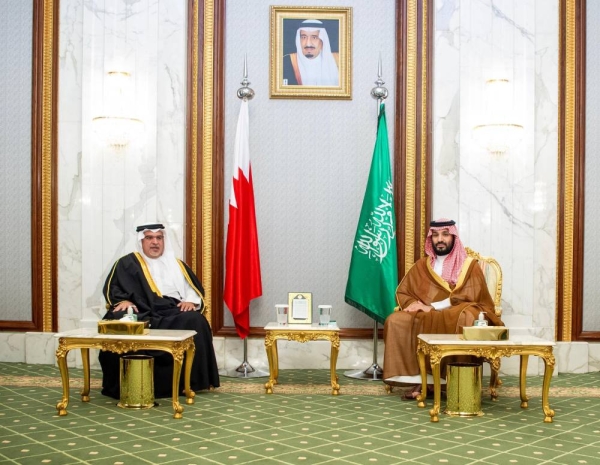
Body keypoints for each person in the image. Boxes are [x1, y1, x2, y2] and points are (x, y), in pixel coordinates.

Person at [383, 219, 504, 397]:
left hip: (458, 309)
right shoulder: (422, 266)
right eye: (436, 235)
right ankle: (419, 380)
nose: (440, 239)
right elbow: (404, 292)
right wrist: (414, 305)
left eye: (445, 234)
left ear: (453, 237)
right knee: (395, 320)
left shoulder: (469, 265)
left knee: (466, 317)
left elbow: (471, 296)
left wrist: (431, 306)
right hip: (429, 313)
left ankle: (455, 380)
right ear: (430, 239)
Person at [99, 223, 220, 399]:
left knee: (195, 320)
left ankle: (189, 382)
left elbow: (193, 290)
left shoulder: (177, 264)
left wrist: (190, 302)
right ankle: (129, 382)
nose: (155, 242)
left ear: (164, 240)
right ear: (141, 241)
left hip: (170, 310)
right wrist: (122, 300)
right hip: (141, 311)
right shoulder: (127, 263)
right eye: (149, 238)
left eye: (159, 238)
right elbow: (113, 288)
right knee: (120, 317)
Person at [282, 19, 339, 86]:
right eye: (303, 37)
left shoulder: (338, 61)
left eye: (314, 37)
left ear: (322, 40)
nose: (308, 43)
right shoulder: (286, 62)